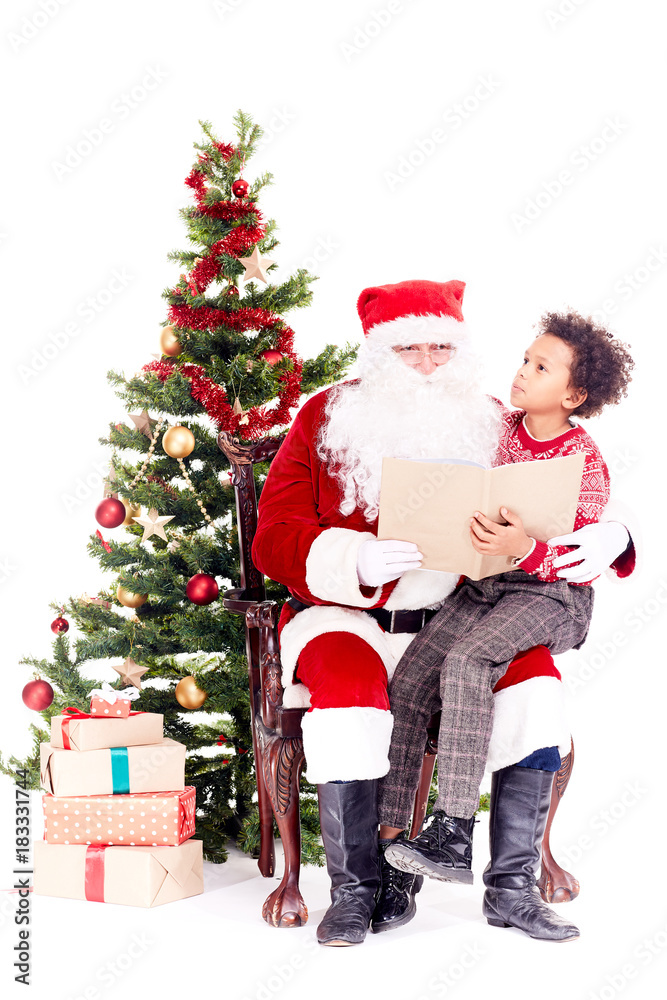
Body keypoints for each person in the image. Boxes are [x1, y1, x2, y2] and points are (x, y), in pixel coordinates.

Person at [251, 279, 636, 947]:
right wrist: (355, 560)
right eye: (409, 349)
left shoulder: (491, 417)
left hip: (464, 610)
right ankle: (358, 889)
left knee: (537, 689)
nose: (428, 364)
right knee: (348, 701)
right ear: (377, 354)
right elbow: (272, 533)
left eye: (440, 348)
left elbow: (573, 475)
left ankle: (509, 889)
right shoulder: (326, 416)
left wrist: (617, 535)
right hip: (347, 617)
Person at [378, 313, 635, 942]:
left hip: (552, 594)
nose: (522, 372)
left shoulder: (584, 462)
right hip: (485, 585)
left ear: (574, 396)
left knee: (468, 662)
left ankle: (453, 830)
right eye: (524, 359)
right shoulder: (495, 426)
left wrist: (524, 548)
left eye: (540, 368)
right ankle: (394, 855)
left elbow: (578, 558)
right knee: (410, 682)